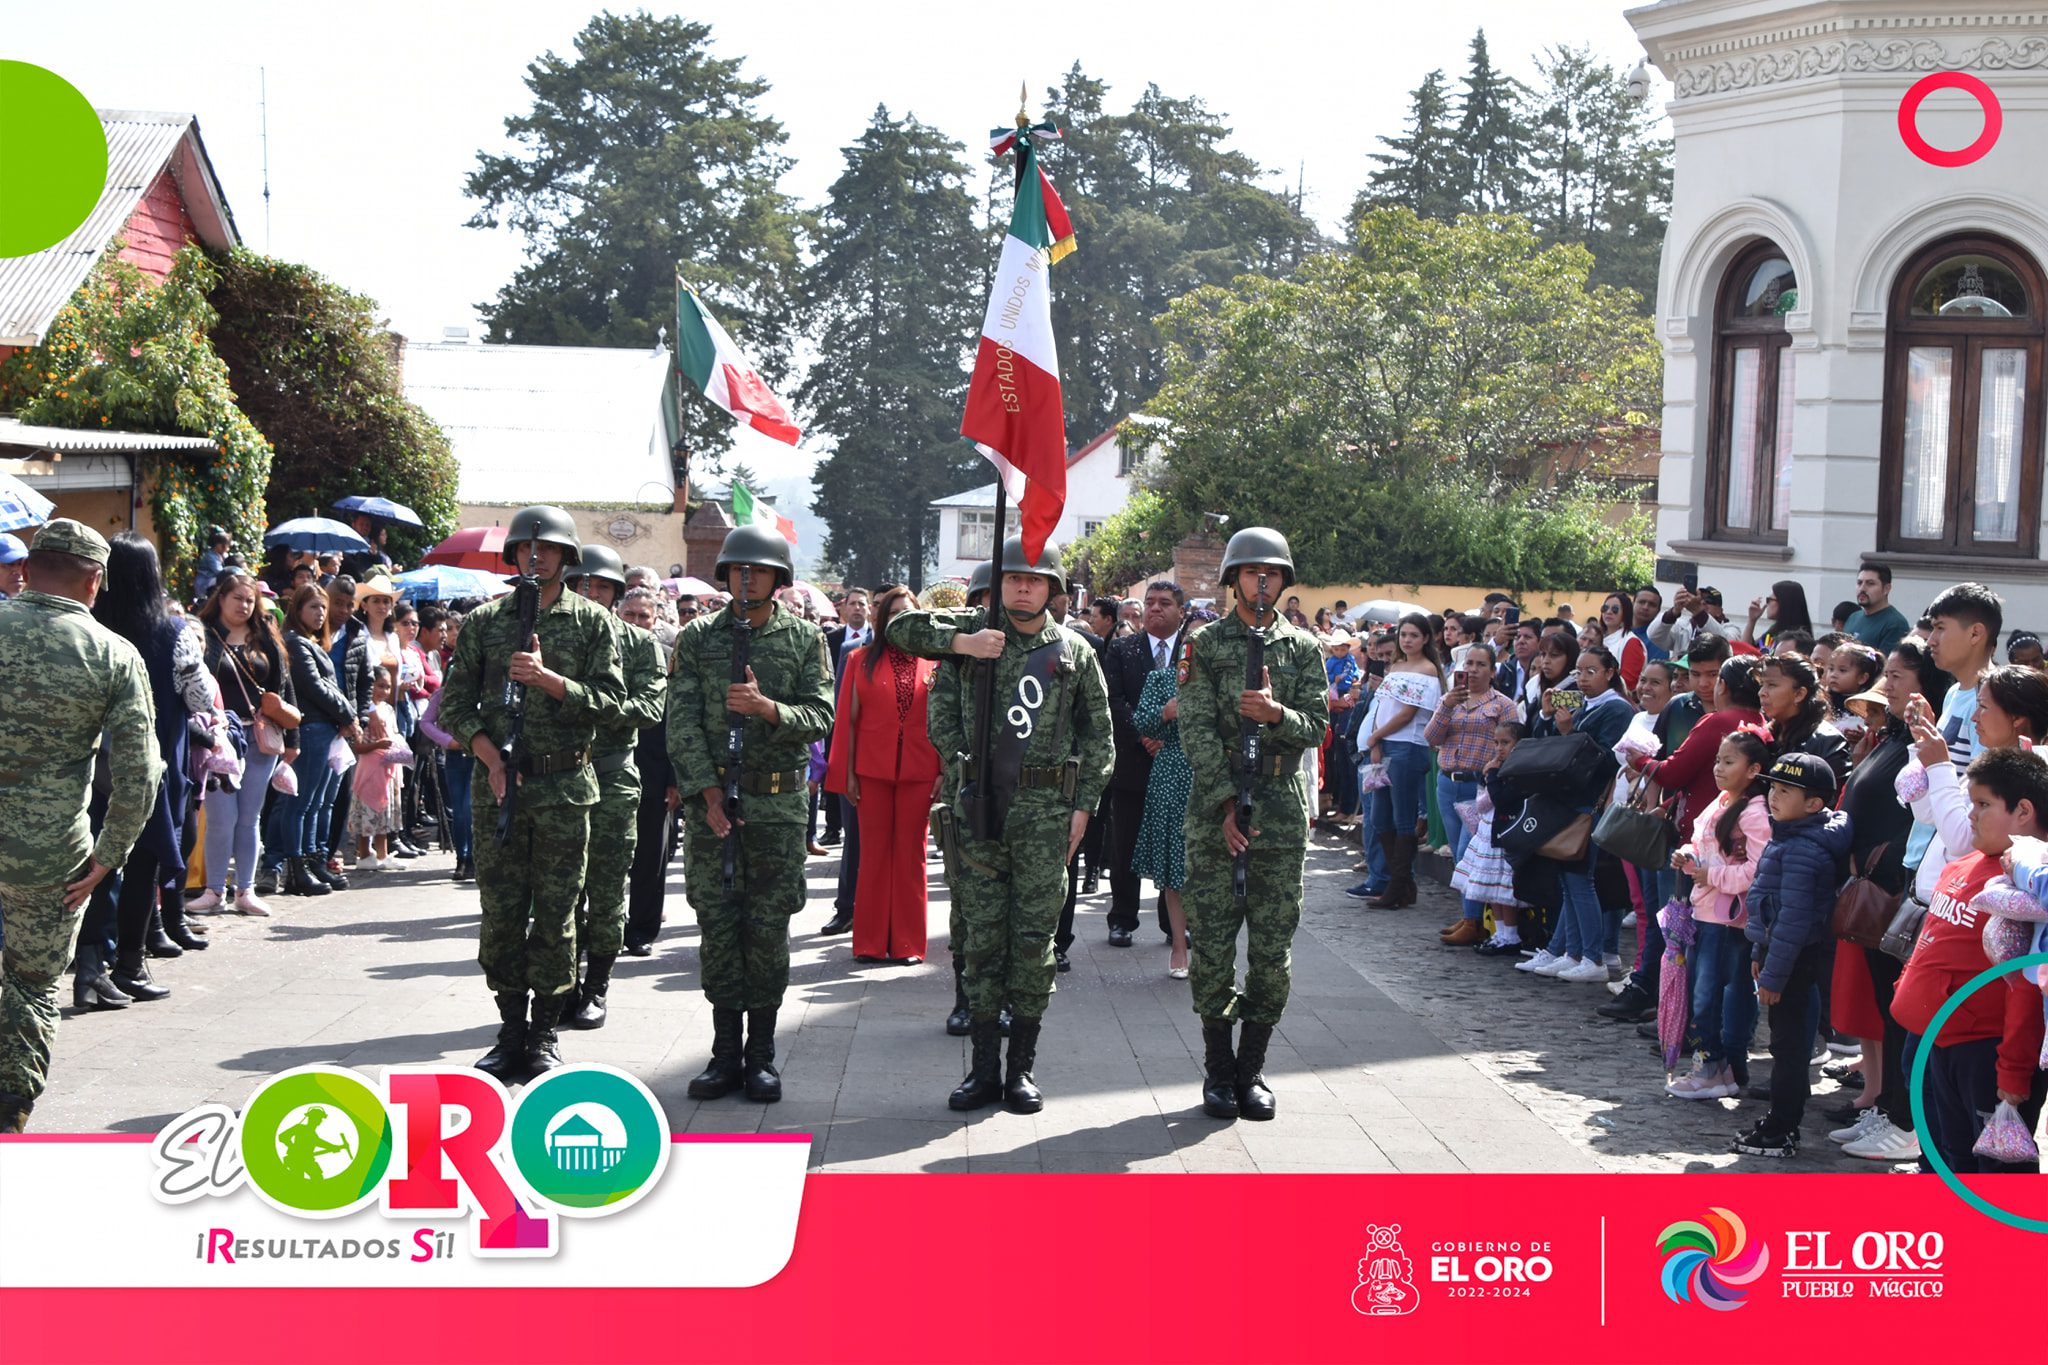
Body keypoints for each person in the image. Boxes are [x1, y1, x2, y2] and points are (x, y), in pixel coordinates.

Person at [887, 536, 1113, 1114]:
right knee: (982, 941)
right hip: (981, 807)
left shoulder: (1074, 653)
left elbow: (1099, 736)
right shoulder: (973, 637)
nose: (1022, 587)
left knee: (1033, 942)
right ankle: (982, 1071)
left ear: (1052, 591)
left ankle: (1021, 1071)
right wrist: (963, 642)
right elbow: (901, 630)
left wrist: (1083, 807)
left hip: (1045, 815)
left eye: (1035, 580)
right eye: (1013, 578)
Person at [438, 505, 626, 1085]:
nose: (535, 557)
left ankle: (544, 1031)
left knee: (557, 914)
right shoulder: (487, 622)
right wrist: (491, 759)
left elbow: (614, 703)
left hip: (565, 787)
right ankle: (510, 1029)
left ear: (566, 559)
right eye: (525, 549)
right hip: (500, 788)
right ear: (513, 556)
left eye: (546, 550)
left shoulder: (593, 623)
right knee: (499, 913)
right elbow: (453, 703)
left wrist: (549, 680)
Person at [0, 520, 161, 1132]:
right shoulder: (114, 654)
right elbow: (141, 774)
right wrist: (108, 857)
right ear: (94, 580)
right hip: (49, 856)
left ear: (29, 566)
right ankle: (9, 1110)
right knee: (33, 983)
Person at [669, 526, 834, 1104]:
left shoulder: (804, 638)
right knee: (718, 927)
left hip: (779, 806)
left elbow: (821, 715)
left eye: (758, 571)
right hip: (716, 805)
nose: (747, 579)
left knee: (766, 930)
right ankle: (722, 1055)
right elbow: (681, 721)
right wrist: (707, 794)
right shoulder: (696, 639)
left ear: (778, 579)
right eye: (738, 570)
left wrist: (768, 709)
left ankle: (760, 1055)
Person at [1175, 527, 1329, 1121]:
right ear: (1233, 578)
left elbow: (1315, 724)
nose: (1261, 582)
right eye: (1250, 572)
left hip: (1280, 812)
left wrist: (1276, 714)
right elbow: (1193, 728)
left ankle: (1252, 1069)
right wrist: (1222, 804)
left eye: (1271, 573)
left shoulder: (1303, 649)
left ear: (1284, 580)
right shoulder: (1207, 643)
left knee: (1271, 949)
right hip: (1217, 813)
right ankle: (1217, 1071)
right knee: (1212, 946)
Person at [1894, 747, 2048, 1173]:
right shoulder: (1961, 864)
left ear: (2023, 811)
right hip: (1936, 1043)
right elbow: (1932, 946)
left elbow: (2026, 989)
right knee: (1948, 1157)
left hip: (1986, 1054)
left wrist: (2014, 1074)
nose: (1971, 816)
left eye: (1982, 805)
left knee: (1996, 1174)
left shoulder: (2022, 891)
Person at [1827, 641, 1947, 1162]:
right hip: (1875, 883)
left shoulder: (1924, 740)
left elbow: (1916, 816)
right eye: (1888, 674)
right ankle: (1887, 1108)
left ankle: (1903, 1119)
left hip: (1898, 886)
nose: (1888, 684)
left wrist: (1883, 863)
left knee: (1901, 1010)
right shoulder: (1895, 733)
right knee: (1885, 1003)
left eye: (1899, 675)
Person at [87, 533, 213, 1010]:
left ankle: (92, 963)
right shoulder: (174, 632)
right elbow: (200, 698)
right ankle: (131, 965)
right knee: (143, 863)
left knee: (95, 863)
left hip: (93, 767)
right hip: (153, 765)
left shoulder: (91, 625)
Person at [561, 546, 666, 1030]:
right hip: (558, 778)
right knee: (560, 891)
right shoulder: (555, 637)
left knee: (605, 888)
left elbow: (649, 708)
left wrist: (586, 702)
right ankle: (560, 985)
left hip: (612, 775)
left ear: (616, 593)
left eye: (602, 586)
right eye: (583, 584)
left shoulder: (641, 645)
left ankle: (596, 986)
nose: (592, 593)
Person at [1731, 752, 1853, 1159]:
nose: (1773, 796)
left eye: (1785, 791)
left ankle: (1782, 1129)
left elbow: (1794, 922)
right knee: (1788, 1045)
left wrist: (1773, 976)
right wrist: (1758, 949)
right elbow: (1770, 909)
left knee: (1789, 1049)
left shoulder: (1803, 849)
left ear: (1815, 804)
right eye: (1772, 787)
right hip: (1779, 956)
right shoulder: (1788, 836)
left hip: (1794, 963)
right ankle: (1782, 1117)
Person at [824, 585, 938, 964]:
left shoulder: (935, 664)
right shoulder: (859, 660)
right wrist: (848, 774)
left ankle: (908, 943)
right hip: (870, 771)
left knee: (912, 857)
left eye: (908, 613)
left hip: (919, 772)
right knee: (872, 857)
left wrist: (941, 771)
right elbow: (848, 722)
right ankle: (870, 941)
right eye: (893, 613)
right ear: (881, 618)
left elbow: (942, 723)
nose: (900, 619)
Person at [1666, 728, 1772, 1099]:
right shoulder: (1725, 800)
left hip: (1727, 917)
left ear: (1754, 769)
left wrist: (1710, 874)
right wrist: (1688, 855)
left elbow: (1759, 871)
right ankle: (1721, 1068)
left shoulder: (1755, 813)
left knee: (1710, 996)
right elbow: (1701, 842)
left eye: (1729, 761)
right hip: (1706, 908)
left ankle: (1710, 1067)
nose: (1718, 768)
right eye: (1717, 760)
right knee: (1708, 992)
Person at [191, 570, 297, 916]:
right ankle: (214, 890)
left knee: (249, 818)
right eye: (237, 597)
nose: (244, 605)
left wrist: (292, 739)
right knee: (221, 817)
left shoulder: (265, 637)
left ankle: (245, 890)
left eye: (249, 599)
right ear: (220, 598)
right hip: (220, 738)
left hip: (259, 738)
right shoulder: (204, 636)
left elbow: (283, 690)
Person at [1101, 581, 1185, 947]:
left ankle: (1175, 926)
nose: (1154, 609)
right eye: (1149, 602)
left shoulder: (1194, 650)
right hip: (1134, 762)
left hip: (1180, 766)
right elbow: (1113, 700)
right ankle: (1122, 918)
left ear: (1180, 611)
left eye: (1164, 603)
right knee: (1125, 844)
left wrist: (1168, 738)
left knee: (1176, 846)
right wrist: (1145, 735)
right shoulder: (1122, 648)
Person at [272, 583, 362, 896]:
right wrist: (348, 714)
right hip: (311, 728)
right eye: (314, 607)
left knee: (319, 803)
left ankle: (313, 860)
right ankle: (297, 867)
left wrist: (346, 714)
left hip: (326, 728)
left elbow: (331, 686)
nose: (320, 613)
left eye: (322, 607)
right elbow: (313, 686)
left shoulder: (311, 642)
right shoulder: (295, 642)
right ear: (297, 609)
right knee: (302, 803)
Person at [1425, 643, 1516, 945]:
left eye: (1480, 664)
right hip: (1448, 782)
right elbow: (1431, 738)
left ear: (1492, 670)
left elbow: (1513, 744)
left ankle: (1474, 920)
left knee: (1469, 852)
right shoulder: (1450, 701)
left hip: (1478, 787)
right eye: (1469, 664)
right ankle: (1469, 916)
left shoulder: (1502, 705)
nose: (1473, 670)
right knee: (1458, 853)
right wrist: (1447, 705)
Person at [1357, 613, 1444, 909]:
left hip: (1408, 747)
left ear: (1426, 639)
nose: (1407, 640)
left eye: (1413, 635)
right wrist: (1377, 741)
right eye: (1403, 635)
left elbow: (1407, 713)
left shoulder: (1428, 670)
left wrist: (1376, 736)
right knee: (1380, 817)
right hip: (1385, 746)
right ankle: (1403, 882)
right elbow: (1383, 706)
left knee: (1402, 818)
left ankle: (1398, 885)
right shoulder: (1396, 666)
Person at [1133, 613, 1196, 977]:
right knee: (1175, 867)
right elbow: (1141, 721)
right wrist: (1166, 712)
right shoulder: (1161, 678)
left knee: (1209, 868)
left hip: (1214, 777)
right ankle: (1178, 945)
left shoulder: (1228, 683)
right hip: (1171, 774)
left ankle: (1207, 945)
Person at [616, 590, 674, 954]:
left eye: (643, 617)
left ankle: (641, 930)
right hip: (607, 769)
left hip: (654, 773)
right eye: (630, 615)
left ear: (655, 622)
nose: (636, 622)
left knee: (651, 857)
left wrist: (675, 779)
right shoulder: (599, 653)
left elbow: (677, 722)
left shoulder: (669, 661)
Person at [819, 587, 870, 848]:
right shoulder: (832, 639)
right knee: (834, 768)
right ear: (844, 609)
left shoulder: (875, 639)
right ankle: (831, 827)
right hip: (834, 714)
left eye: (863, 604)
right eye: (853, 604)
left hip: (863, 718)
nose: (858, 608)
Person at [1757, 653, 1850, 792]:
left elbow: (1830, 801)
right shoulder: (1766, 732)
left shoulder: (1828, 741)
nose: (1761, 692)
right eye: (1762, 684)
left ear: (1799, 694)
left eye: (1772, 685)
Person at [349, 671, 407, 870]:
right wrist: (377, 746)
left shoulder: (389, 710)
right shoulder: (364, 712)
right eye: (379, 685)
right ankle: (364, 854)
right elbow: (358, 746)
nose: (384, 691)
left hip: (387, 769)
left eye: (388, 687)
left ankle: (382, 855)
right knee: (367, 811)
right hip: (370, 770)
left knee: (383, 813)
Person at [1845, 565, 1912, 655]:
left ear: (1886, 589)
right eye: (1859, 583)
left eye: (1870, 583)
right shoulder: (1853, 617)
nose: (1862, 588)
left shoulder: (1896, 624)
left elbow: (1886, 665)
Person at [1597, 591, 1648, 691]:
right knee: (1558, 698)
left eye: (1615, 609)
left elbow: (1627, 683)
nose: (1608, 612)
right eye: (1605, 608)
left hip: (1614, 699)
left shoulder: (1631, 642)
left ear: (1625, 614)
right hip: (1587, 695)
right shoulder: (1597, 638)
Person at [1745, 579, 1813, 650]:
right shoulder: (1775, 629)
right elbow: (1745, 650)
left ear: (1784, 603)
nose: (1766, 604)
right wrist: (1752, 620)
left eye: (1769, 600)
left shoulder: (1795, 639)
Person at [193, 526, 230, 602]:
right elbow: (220, 572)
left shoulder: (223, 555)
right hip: (204, 584)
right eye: (224, 544)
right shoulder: (210, 556)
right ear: (217, 545)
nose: (226, 547)